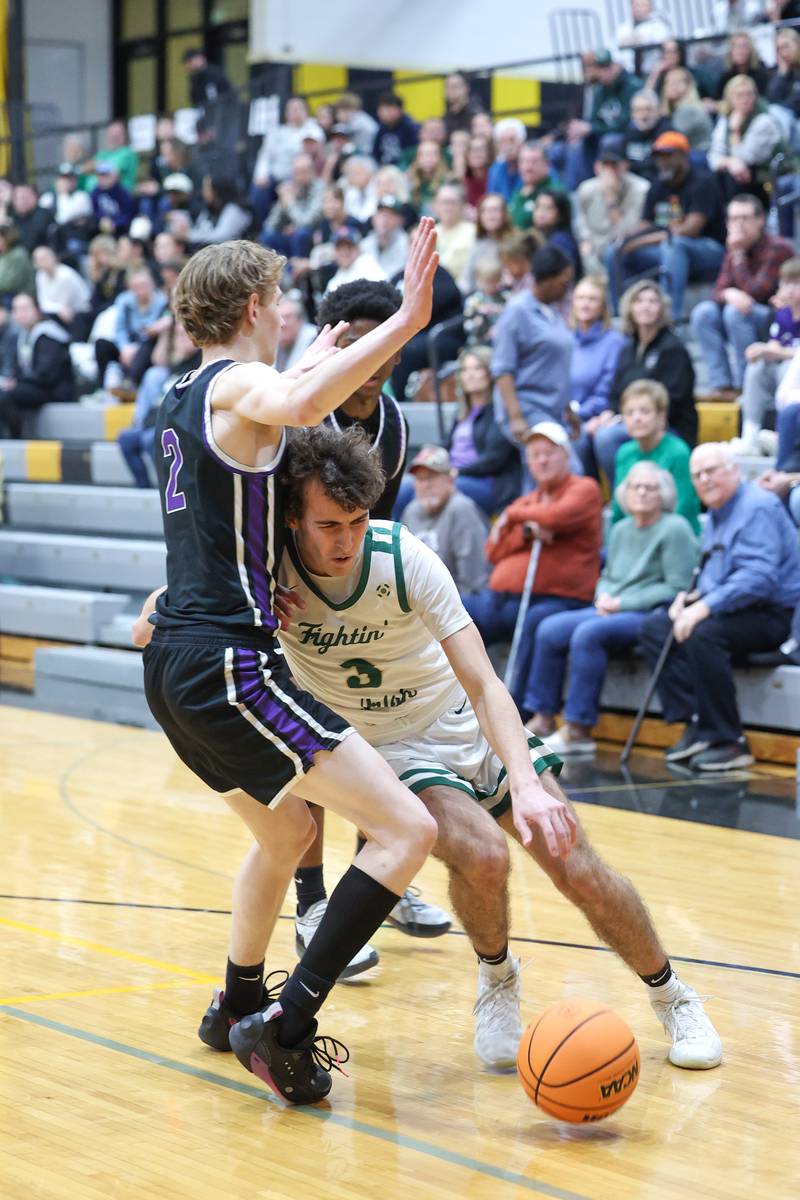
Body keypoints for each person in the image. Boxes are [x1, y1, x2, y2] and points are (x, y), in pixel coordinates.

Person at [141, 422, 717, 1072]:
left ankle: (672, 994)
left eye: (357, 521)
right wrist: (166, 613)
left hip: (463, 723)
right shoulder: (264, 568)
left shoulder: (403, 557)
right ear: (295, 518)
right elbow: (163, 609)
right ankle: (497, 978)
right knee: (482, 853)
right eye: (329, 525)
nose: (346, 540)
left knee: (575, 864)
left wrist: (525, 782)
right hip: (386, 750)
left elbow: (483, 681)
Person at [139, 224, 476, 1107]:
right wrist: (403, 320)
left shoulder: (181, 394)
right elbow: (284, 404)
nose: (288, 316)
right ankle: (283, 1029)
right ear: (254, 306)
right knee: (409, 830)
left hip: (182, 660)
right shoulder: (239, 380)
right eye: (281, 302)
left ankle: (238, 1000)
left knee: (286, 837)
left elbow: (233, 495)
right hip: (228, 665)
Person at [638, 442, 800, 771]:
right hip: (737, 608)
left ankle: (728, 740)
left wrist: (705, 607)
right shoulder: (716, 512)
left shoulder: (758, 507)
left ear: (735, 471)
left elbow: (759, 578)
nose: (704, 480)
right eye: (697, 475)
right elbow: (717, 573)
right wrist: (691, 597)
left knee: (702, 632)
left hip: (774, 615)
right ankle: (696, 723)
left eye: (711, 471)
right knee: (655, 627)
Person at [524, 461, 698, 754]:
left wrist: (621, 603)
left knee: (588, 633)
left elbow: (677, 587)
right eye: (635, 487)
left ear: (664, 494)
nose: (642, 493)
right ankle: (543, 717)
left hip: (648, 613)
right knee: (549, 628)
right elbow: (607, 576)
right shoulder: (620, 528)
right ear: (624, 492)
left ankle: (579, 728)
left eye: (650, 488)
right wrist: (603, 597)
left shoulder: (675, 528)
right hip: (611, 607)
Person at [463, 422, 603, 707]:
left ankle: (520, 711)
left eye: (549, 453)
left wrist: (514, 516)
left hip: (559, 599)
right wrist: (527, 530)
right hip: (500, 599)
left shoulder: (584, 488)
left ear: (566, 455)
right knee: (457, 611)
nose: (542, 460)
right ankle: (457, 701)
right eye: (535, 454)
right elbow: (494, 549)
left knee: (536, 621)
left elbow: (556, 516)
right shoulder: (529, 500)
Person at [604, 131, 726, 318]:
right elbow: (646, 223)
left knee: (673, 246)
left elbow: (690, 230)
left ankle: (669, 318)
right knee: (614, 251)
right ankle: (619, 315)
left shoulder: (703, 182)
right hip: (665, 248)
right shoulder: (658, 185)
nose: (662, 162)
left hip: (708, 248)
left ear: (684, 156)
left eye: (668, 155)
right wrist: (625, 238)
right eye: (658, 157)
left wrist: (639, 243)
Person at [315, 280, 409, 520]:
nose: (369, 359)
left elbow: (382, 518)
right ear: (332, 350)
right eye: (354, 346)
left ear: (398, 352)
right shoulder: (308, 416)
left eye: (381, 346)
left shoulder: (397, 423)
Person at [594, 280, 696, 485]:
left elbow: (673, 399)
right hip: (632, 419)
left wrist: (630, 416)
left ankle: (626, 495)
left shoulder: (673, 348)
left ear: (662, 309)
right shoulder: (627, 348)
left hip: (668, 426)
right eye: (639, 301)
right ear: (630, 308)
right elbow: (616, 391)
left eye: (652, 301)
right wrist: (609, 413)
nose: (646, 306)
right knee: (591, 435)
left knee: (607, 439)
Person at [691, 194, 794, 396]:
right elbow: (717, 292)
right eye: (734, 219)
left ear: (760, 220)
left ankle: (746, 385)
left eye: (745, 218)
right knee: (703, 313)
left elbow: (755, 294)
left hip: (775, 321)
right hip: (744, 312)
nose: (739, 225)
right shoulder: (734, 250)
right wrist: (729, 293)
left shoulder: (777, 248)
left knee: (735, 312)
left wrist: (737, 255)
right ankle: (721, 385)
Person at [491, 245, 574, 450]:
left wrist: (568, 410)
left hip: (553, 409)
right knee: (564, 467)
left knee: (550, 474)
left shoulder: (553, 311)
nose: (567, 287)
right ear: (547, 279)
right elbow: (502, 369)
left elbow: (555, 367)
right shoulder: (517, 311)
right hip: (527, 407)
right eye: (563, 281)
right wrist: (516, 417)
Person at [610, 380, 701, 531]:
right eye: (629, 412)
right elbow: (619, 507)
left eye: (644, 411)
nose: (636, 418)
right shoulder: (624, 453)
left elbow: (682, 507)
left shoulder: (678, 452)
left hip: (672, 536)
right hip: (633, 534)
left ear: (661, 416)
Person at [400, 444, 489, 594]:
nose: (426, 485)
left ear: (450, 480)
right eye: (420, 479)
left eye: (432, 477)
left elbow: (473, 583)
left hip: (459, 601)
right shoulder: (411, 511)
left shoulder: (461, 509)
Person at [733, 260, 800, 454]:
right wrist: (760, 350)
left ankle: (784, 436)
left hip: (793, 374)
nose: (789, 289)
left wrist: (776, 352)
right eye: (786, 283)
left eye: (795, 283)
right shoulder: (783, 314)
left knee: (790, 368)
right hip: (783, 368)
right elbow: (776, 343)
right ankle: (750, 436)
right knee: (757, 368)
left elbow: (788, 353)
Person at [447, 345, 521, 515]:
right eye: (465, 370)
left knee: (436, 489)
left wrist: (457, 472)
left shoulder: (500, 411)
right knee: (409, 485)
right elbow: (447, 448)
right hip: (453, 476)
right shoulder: (461, 413)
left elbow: (494, 459)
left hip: (487, 482)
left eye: (477, 368)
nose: (470, 374)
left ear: (489, 373)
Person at [568, 275, 627, 474]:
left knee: (577, 438)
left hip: (596, 417)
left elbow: (608, 389)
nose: (585, 304)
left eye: (592, 299)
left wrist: (578, 414)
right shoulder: (565, 340)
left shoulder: (614, 342)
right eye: (581, 298)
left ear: (603, 306)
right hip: (565, 415)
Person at [0, 292, 74, 437]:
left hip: (54, 389)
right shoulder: (22, 335)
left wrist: (17, 382)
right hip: (34, 385)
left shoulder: (49, 334)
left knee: (6, 397)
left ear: (36, 309)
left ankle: (15, 438)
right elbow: (17, 368)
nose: (20, 314)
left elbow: (45, 374)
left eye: (24, 309)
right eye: (16, 310)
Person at [574, 143, 649, 276]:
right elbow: (580, 221)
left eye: (614, 165)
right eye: (605, 165)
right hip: (594, 245)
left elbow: (625, 234)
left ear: (626, 165)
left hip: (626, 249)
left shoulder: (641, 189)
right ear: (596, 167)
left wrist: (611, 199)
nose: (609, 171)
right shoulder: (586, 189)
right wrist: (585, 239)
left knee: (613, 253)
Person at [708, 75, 782, 207]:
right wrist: (730, 162)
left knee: (736, 176)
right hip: (739, 175)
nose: (745, 100)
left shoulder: (764, 121)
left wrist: (735, 131)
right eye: (739, 95)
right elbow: (713, 156)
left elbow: (746, 158)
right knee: (715, 176)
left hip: (766, 177)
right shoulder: (725, 120)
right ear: (730, 99)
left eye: (749, 94)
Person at [460, 192, 514, 293]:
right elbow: (467, 281)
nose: (491, 215)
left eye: (495, 210)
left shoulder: (514, 243)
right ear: (480, 216)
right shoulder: (478, 243)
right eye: (486, 211)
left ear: (504, 214)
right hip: (478, 299)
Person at [32, 244, 91, 333]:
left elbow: (65, 305)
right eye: (38, 260)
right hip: (59, 313)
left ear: (54, 257)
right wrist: (58, 308)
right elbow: (43, 303)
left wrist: (58, 308)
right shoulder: (40, 276)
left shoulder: (66, 275)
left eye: (44, 258)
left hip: (81, 313)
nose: (42, 262)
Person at [507, 142, 565, 231]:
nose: (528, 167)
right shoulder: (517, 191)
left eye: (534, 162)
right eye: (524, 161)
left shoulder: (555, 192)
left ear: (547, 164)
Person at [623, 89, 674, 184]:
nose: (644, 115)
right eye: (638, 110)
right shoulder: (630, 132)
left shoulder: (668, 133)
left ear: (658, 111)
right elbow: (624, 162)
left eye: (648, 109)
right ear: (632, 114)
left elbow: (661, 165)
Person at [531, 189, 583, 276]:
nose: (541, 213)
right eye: (538, 207)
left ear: (561, 214)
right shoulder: (538, 237)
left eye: (548, 208)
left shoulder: (562, 241)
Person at [661, 68, 714, 152]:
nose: (672, 85)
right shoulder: (677, 109)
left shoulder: (688, 109)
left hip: (699, 156)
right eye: (668, 81)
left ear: (689, 85)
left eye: (678, 81)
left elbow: (674, 139)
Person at [433, 182, 476, 285]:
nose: (447, 207)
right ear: (436, 206)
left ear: (463, 206)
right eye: (443, 202)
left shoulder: (473, 231)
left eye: (452, 202)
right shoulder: (431, 231)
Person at [615, 0, 672, 75]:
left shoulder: (659, 27)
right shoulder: (622, 28)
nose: (639, 8)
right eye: (636, 5)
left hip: (651, 72)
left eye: (643, 5)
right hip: (626, 73)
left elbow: (663, 48)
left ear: (650, 8)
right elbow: (615, 51)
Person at [359, 196, 410, 279]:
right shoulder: (365, 243)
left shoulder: (406, 244)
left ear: (400, 220)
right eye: (382, 214)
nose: (385, 219)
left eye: (391, 215)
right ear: (374, 218)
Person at [324, 227, 386, 293]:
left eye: (349, 247)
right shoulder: (334, 281)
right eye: (339, 248)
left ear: (358, 249)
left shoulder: (368, 266)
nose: (344, 252)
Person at [372, 92, 419, 167]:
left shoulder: (410, 128)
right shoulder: (381, 129)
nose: (382, 113)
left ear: (398, 110)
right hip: (384, 168)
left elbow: (412, 154)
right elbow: (376, 153)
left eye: (387, 109)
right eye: (380, 110)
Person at [274, 294, 317, 372]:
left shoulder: (314, 338)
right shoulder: (274, 342)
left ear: (300, 320)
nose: (283, 324)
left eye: (287, 317)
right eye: (279, 318)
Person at [442, 71, 485, 140]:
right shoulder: (445, 118)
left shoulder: (476, 114)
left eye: (455, 86)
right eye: (448, 87)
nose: (451, 90)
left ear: (466, 88)